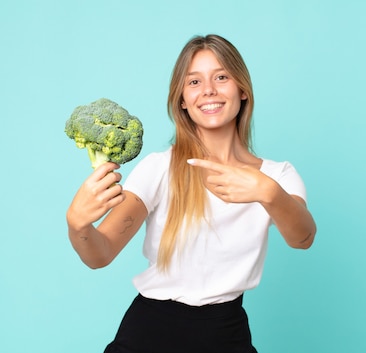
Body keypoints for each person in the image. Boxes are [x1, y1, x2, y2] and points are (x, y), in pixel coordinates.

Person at [66, 34, 317, 353]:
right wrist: (78, 226)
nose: (209, 90)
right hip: (149, 333)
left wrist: (268, 193)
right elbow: (100, 254)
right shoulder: (159, 168)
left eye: (221, 77)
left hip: (227, 333)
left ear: (242, 90)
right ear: (182, 99)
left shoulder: (277, 176)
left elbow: (303, 238)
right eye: (194, 81)